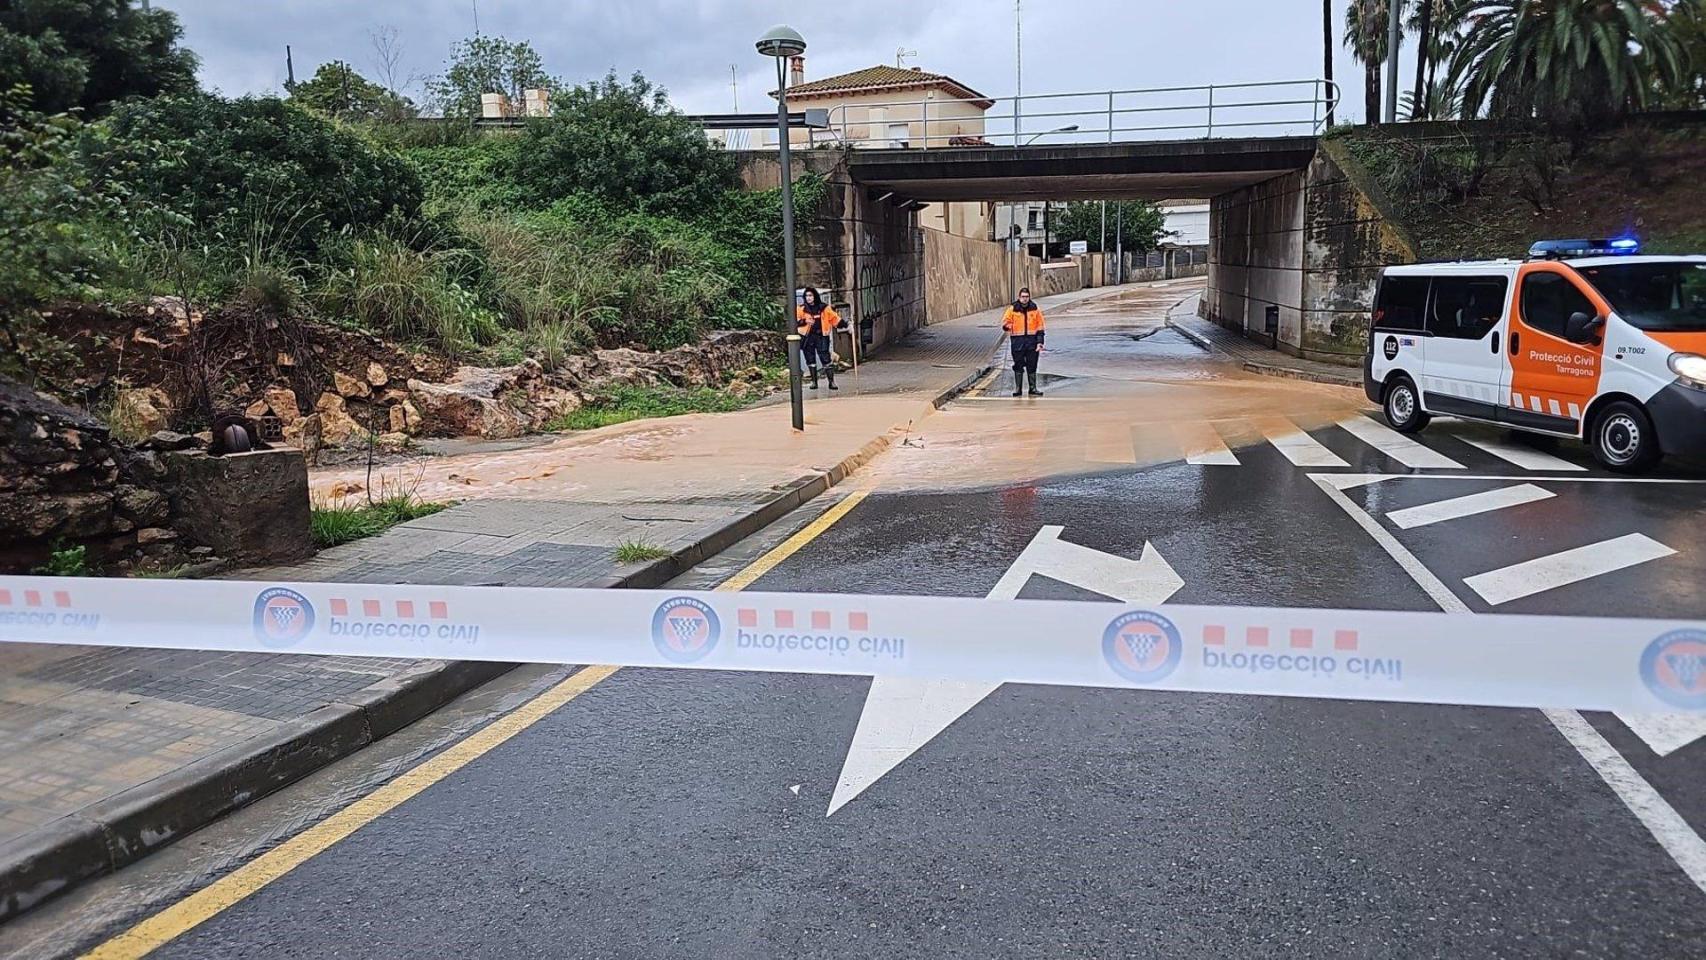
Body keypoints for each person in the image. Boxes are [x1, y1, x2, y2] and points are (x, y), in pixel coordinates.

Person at [796, 287, 843, 390]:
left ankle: (831, 382)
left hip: (821, 336)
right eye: (806, 296)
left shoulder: (824, 308)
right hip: (807, 337)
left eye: (810, 296)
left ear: (815, 296)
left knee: (825, 357)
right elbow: (795, 322)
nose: (808, 298)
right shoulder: (801, 309)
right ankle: (814, 382)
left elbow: (835, 319)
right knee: (810, 358)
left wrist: (846, 325)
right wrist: (805, 321)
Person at [1002, 287, 1046, 396]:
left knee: (1032, 365)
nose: (1025, 299)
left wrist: (1040, 342)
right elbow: (1005, 322)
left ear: (1029, 297)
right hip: (1018, 342)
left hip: (1032, 342)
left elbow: (1040, 326)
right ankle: (1018, 389)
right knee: (1018, 365)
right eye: (1023, 297)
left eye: (1026, 297)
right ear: (1019, 297)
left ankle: (1033, 388)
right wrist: (1007, 326)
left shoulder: (1035, 309)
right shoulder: (1012, 309)